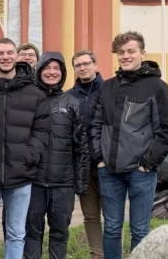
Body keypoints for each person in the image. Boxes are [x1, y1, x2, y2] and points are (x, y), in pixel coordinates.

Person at [91, 31, 168, 258]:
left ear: (142, 53)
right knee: (111, 228)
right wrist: (99, 157)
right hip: (109, 171)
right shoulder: (107, 87)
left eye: (131, 51)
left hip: (141, 172)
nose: (125, 56)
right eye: (121, 52)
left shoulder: (157, 87)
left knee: (140, 229)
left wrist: (147, 164)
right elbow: (95, 124)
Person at [0, 39, 51, 259]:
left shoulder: (35, 93)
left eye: (9, 52)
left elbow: (42, 130)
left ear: (16, 56)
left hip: (22, 174)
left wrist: (28, 156)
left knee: (16, 233)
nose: (5, 57)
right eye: (0, 53)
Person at [24, 52, 91, 259]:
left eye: (56, 69)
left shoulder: (71, 102)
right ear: (40, 70)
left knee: (60, 234)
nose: (51, 72)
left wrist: (81, 184)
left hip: (63, 184)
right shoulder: (29, 99)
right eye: (47, 67)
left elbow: (81, 147)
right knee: (32, 234)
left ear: (62, 73)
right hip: (33, 182)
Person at [67, 49, 105, 259]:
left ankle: (113, 253)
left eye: (86, 63)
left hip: (107, 165)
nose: (82, 67)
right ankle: (96, 255)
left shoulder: (109, 90)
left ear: (95, 64)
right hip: (82, 166)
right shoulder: (69, 96)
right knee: (90, 216)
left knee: (112, 216)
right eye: (78, 65)